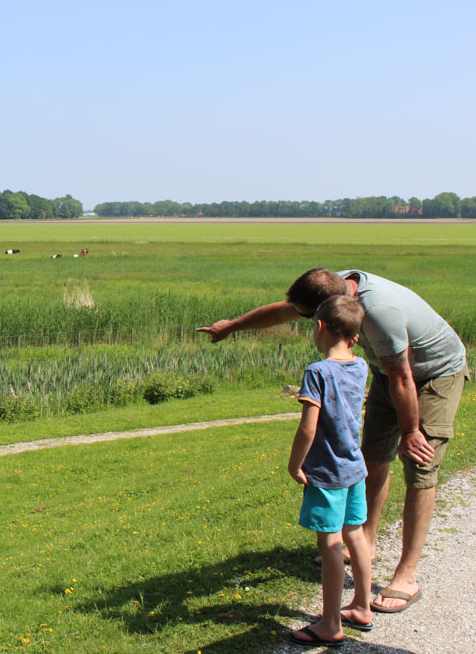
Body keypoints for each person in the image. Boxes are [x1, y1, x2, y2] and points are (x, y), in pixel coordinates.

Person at [197, 268, 468, 614]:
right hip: (390, 370)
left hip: (432, 373)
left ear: (325, 317)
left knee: (420, 464)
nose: (309, 325)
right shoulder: (331, 286)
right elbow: (284, 309)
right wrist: (232, 325)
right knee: (372, 457)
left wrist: (411, 430)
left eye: (311, 321)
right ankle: (363, 544)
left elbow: (404, 378)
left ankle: (406, 576)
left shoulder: (380, 313)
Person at [286, 295, 371, 646]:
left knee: (331, 544)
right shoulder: (361, 365)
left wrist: (295, 464)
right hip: (355, 468)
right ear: (353, 335)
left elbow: (308, 427)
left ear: (320, 327)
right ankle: (362, 606)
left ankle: (330, 625)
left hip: (328, 472)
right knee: (356, 535)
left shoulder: (317, 372)